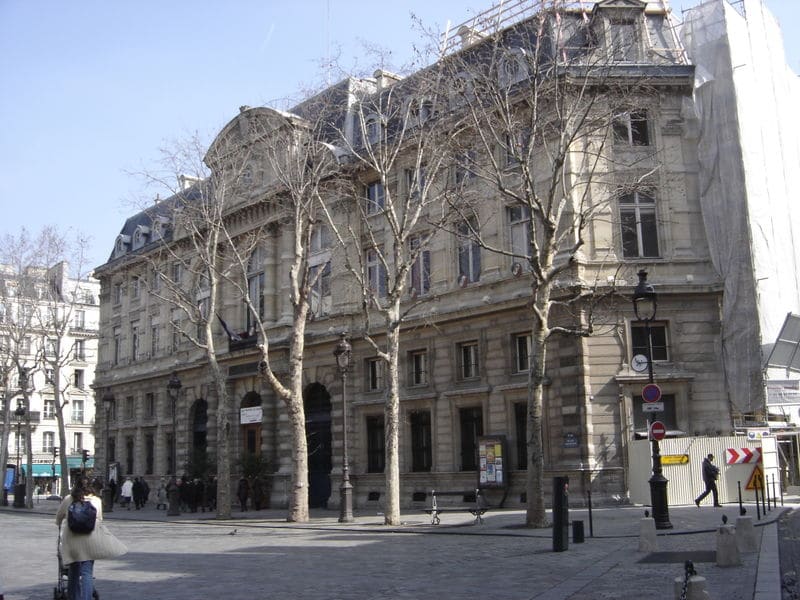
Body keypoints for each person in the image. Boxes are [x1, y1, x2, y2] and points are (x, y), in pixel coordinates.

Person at [55, 477, 127, 600]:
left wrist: (59, 523)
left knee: (73, 571)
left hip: (72, 541)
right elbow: (99, 519)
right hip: (90, 540)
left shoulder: (68, 499)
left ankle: (74, 597)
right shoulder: (97, 501)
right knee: (87, 573)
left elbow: (58, 518)